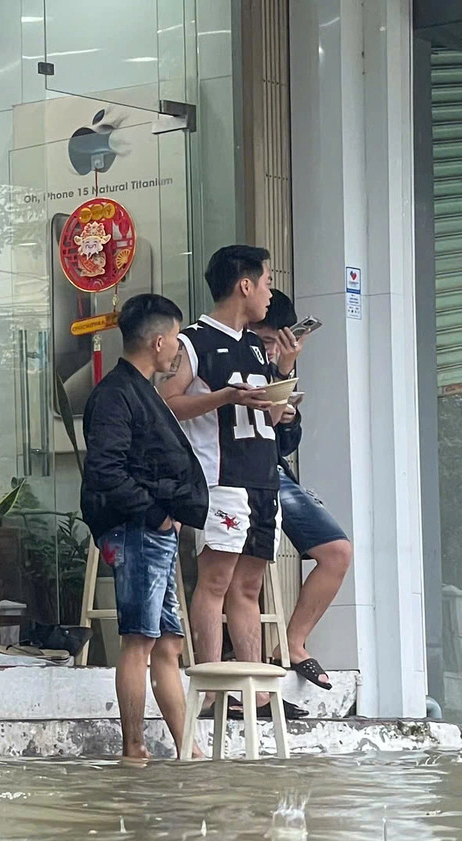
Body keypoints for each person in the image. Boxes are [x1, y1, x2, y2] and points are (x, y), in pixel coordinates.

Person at [160, 244, 300, 719]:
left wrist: (283, 377)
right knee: (216, 581)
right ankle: (213, 688)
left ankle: (255, 693)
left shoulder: (259, 346)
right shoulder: (194, 342)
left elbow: (275, 415)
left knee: (249, 585)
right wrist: (222, 396)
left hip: (263, 477)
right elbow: (167, 403)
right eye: (265, 282)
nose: (269, 293)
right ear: (244, 284)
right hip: (220, 478)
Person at [80, 294, 208, 761]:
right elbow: (106, 471)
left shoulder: (138, 391)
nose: (178, 348)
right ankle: (133, 748)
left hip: (154, 533)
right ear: (158, 341)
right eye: (176, 337)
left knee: (168, 643)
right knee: (138, 640)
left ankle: (187, 748)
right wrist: (155, 513)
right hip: (137, 531)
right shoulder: (117, 394)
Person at [253, 289, 352, 691]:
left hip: (273, 473)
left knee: (336, 551)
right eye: (264, 342)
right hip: (234, 478)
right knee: (245, 569)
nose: (272, 352)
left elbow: (286, 444)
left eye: (280, 343)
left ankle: (293, 643)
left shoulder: (280, 367)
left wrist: (286, 418)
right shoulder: (230, 358)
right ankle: (245, 676)